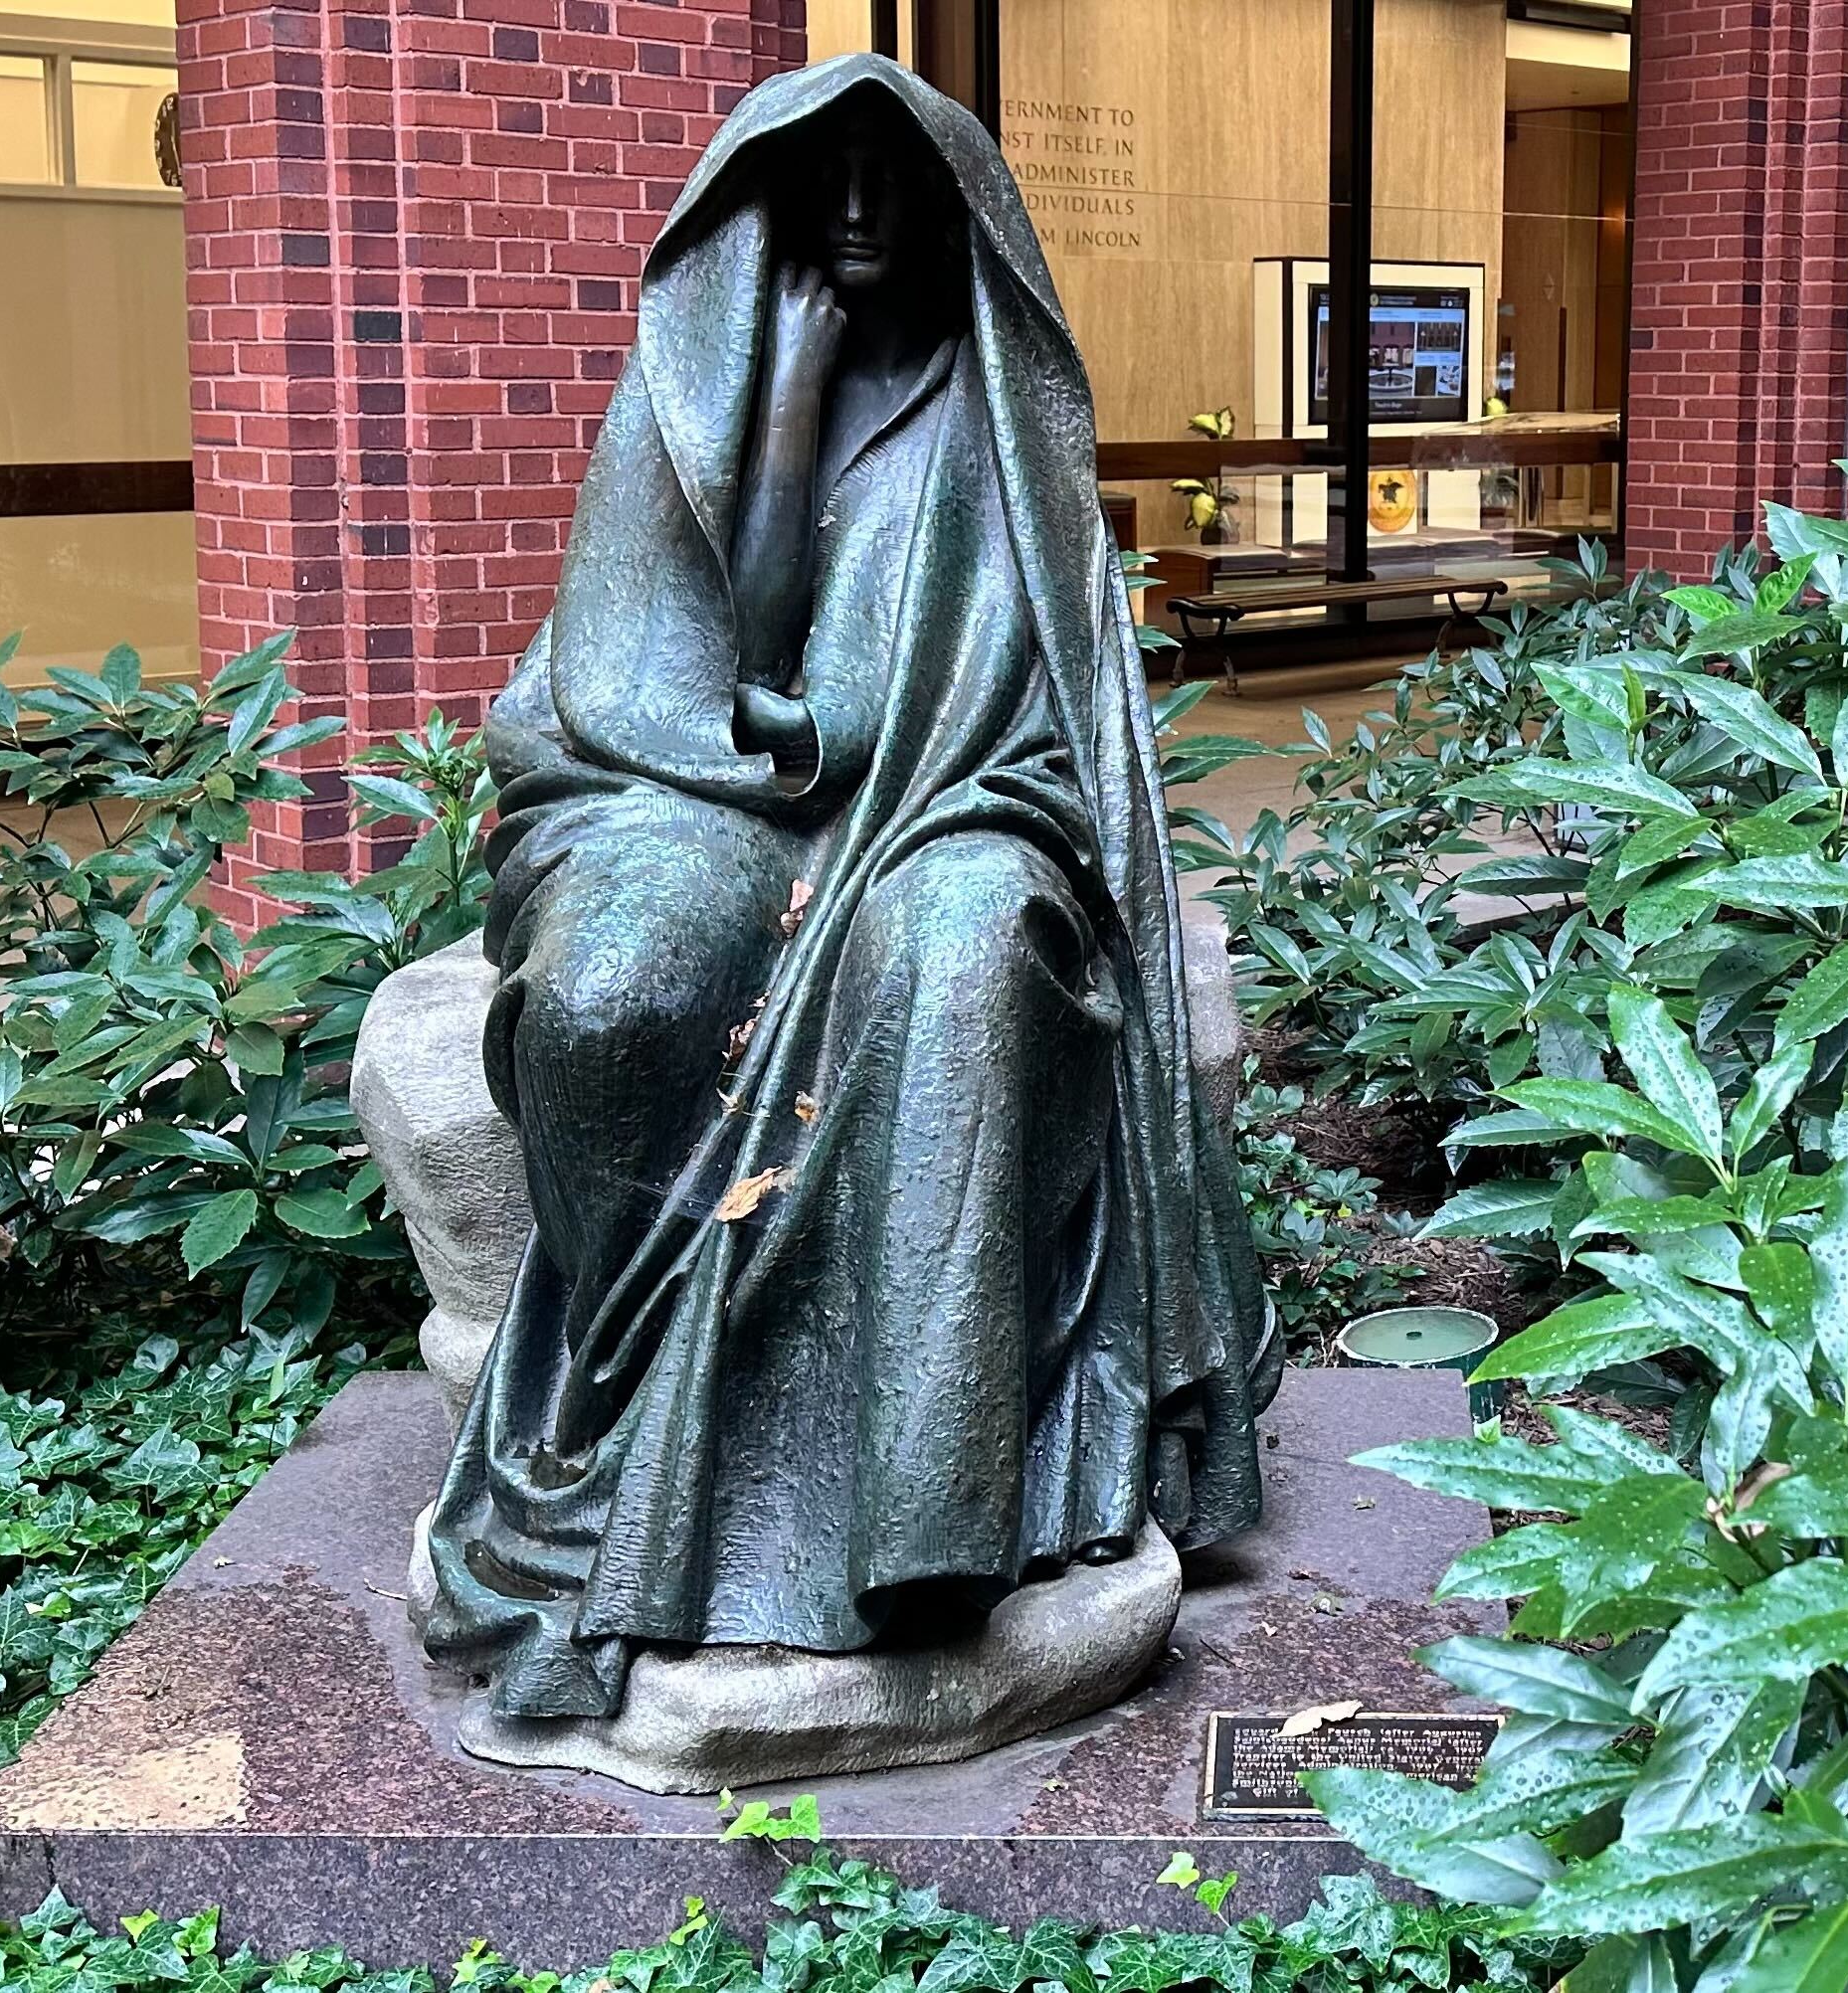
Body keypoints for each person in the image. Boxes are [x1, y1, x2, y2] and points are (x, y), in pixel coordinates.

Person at [415, 56, 1273, 1741]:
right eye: (830, 182)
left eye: (901, 181)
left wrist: (920, 791)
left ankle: (929, 1512)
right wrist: (789, 407)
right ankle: (612, 1405)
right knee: (616, 987)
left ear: (958, 210)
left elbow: (1052, 716)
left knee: (962, 961)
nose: (864, 213)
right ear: (769, 205)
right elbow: (675, 669)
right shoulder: (697, 385)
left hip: (952, 799)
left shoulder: (1000, 416)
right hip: (687, 786)